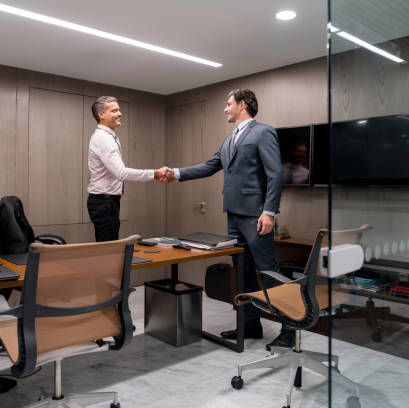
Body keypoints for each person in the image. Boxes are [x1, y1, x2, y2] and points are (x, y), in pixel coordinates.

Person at [163, 89, 295, 349]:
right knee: (243, 272)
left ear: (242, 105)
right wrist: (175, 173)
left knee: (268, 272)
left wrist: (269, 211)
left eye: (228, 104)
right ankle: (250, 324)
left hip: (257, 216)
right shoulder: (229, 140)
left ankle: (290, 327)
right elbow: (209, 165)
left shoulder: (263, 132)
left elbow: (275, 174)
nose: (225, 109)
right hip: (233, 215)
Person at [87, 96, 169, 242]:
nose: (120, 113)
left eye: (119, 110)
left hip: (107, 201)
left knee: (110, 249)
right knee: (108, 252)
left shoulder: (107, 136)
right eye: (114, 110)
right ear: (101, 115)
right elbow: (121, 173)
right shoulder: (103, 139)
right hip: (104, 202)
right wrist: (155, 174)